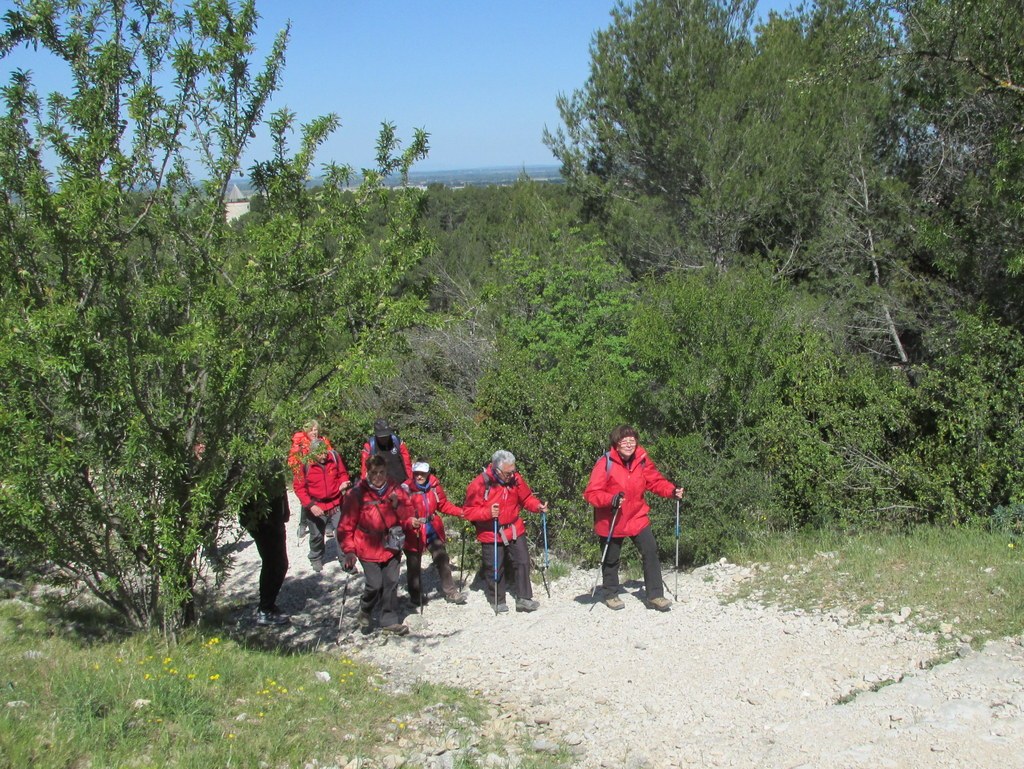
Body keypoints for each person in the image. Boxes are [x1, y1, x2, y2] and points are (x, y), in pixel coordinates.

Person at [583, 425, 684, 611]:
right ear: (616, 443)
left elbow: (655, 481)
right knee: (611, 559)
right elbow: (591, 493)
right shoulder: (605, 463)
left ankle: (655, 596)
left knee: (650, 550)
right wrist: (610, 499)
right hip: (612, 518)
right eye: (624, 441)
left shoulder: (642, 460)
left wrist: (671, 491)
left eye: (632, 440)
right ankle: (611, 594)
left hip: (636, 515)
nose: (629, 444)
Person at [339, 455, 419, 635]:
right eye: (374, 473)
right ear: (367, 472)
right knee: (374, 584)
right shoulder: (357, 494)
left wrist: (399, 508)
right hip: (367, 545)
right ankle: (365, 608)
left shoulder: (395, 490)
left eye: (382, 472)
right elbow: (345, 525)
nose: (378, 476)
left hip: (391, 545)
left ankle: (389, 621)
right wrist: (349, 551)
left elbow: (407, 513)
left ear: (386, 471)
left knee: (391, 582)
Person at [463, 450, 548, 613]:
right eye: (508, 473)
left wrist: (538, 506)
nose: (512, 475)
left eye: (513, 471)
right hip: (491, 531)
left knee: (522, 561)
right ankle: (497, 599)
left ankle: (524, 598)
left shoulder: (515, 479)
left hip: (514, 527)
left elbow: (526, 498)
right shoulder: (480, 484)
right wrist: (487, 513)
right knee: (495, 566)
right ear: (496, 469)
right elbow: (468, 511)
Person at [404, 461, 468, 606]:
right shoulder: (406, 488)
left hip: (432, 527)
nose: (419, 476)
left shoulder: (433, 486)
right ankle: (415, 597)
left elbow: (443, 504)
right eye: (417, 473)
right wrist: (409, 521)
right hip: (414, 530)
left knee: (442, 558)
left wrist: (460, 512)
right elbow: (399, 512)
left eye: (422, 473)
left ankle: (451, 592)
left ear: (428, 473)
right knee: (414, 563)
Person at [239, 459, 291, 626]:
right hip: (263, 523)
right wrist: (250, 521)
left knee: (278, 563)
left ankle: (267, 605)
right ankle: (265, 609)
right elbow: (244, 498)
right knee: (274, 563)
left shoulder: (273, 459)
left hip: (274, 520)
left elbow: (281, 488)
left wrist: (285, 511)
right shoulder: (252, 463)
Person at [292, 437, 352, 572]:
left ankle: (345, 560)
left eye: (325, 453)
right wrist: (311, 506)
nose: (324, 456)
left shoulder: (334, 457)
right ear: (313, 453)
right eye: (320, 454)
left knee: (341, 532)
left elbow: (343, 473)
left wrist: (344, 482)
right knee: (317, 535)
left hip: (336, 503)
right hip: (316, 505)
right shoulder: (304, 464)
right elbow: (299, 488)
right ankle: (315, 557)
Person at [288, 420, 336, 540]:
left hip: (322, 473)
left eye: (316, 430)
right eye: (311, 430)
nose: (314, 432)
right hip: (306, 474)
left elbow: (330, 455)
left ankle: (328, 525)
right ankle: (303, 524)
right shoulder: (299, 443)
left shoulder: (323, 441)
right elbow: (293, 459)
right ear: (306, 431)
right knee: (306, 500)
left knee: (327, 497)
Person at [360, 418, 413, 483]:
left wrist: (409, 481)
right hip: (380, 484)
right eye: (381, 437)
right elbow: (365, 468)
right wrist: (364, 484)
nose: (384, 439)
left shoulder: (397, 442)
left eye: (386, 436)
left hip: (400, 483)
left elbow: (407, 462)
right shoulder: (370, 446)